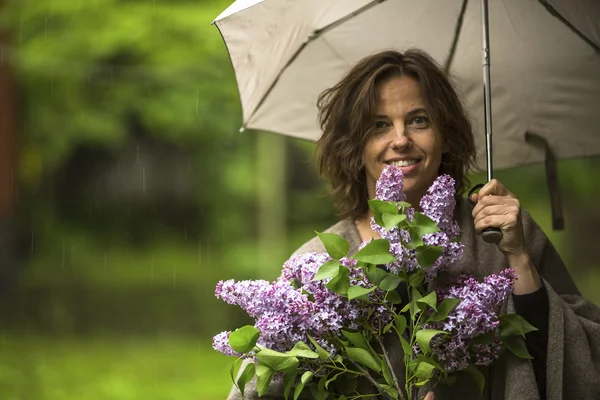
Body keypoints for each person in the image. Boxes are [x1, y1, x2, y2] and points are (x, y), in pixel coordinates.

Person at [227, 49, 600, 400]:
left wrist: (518, 259)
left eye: (419, 120)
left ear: (446, 135)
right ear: (353, 146)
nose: (401, 140)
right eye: (379, 125)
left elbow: (582, 363)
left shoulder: (499, 233)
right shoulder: (316, 265)